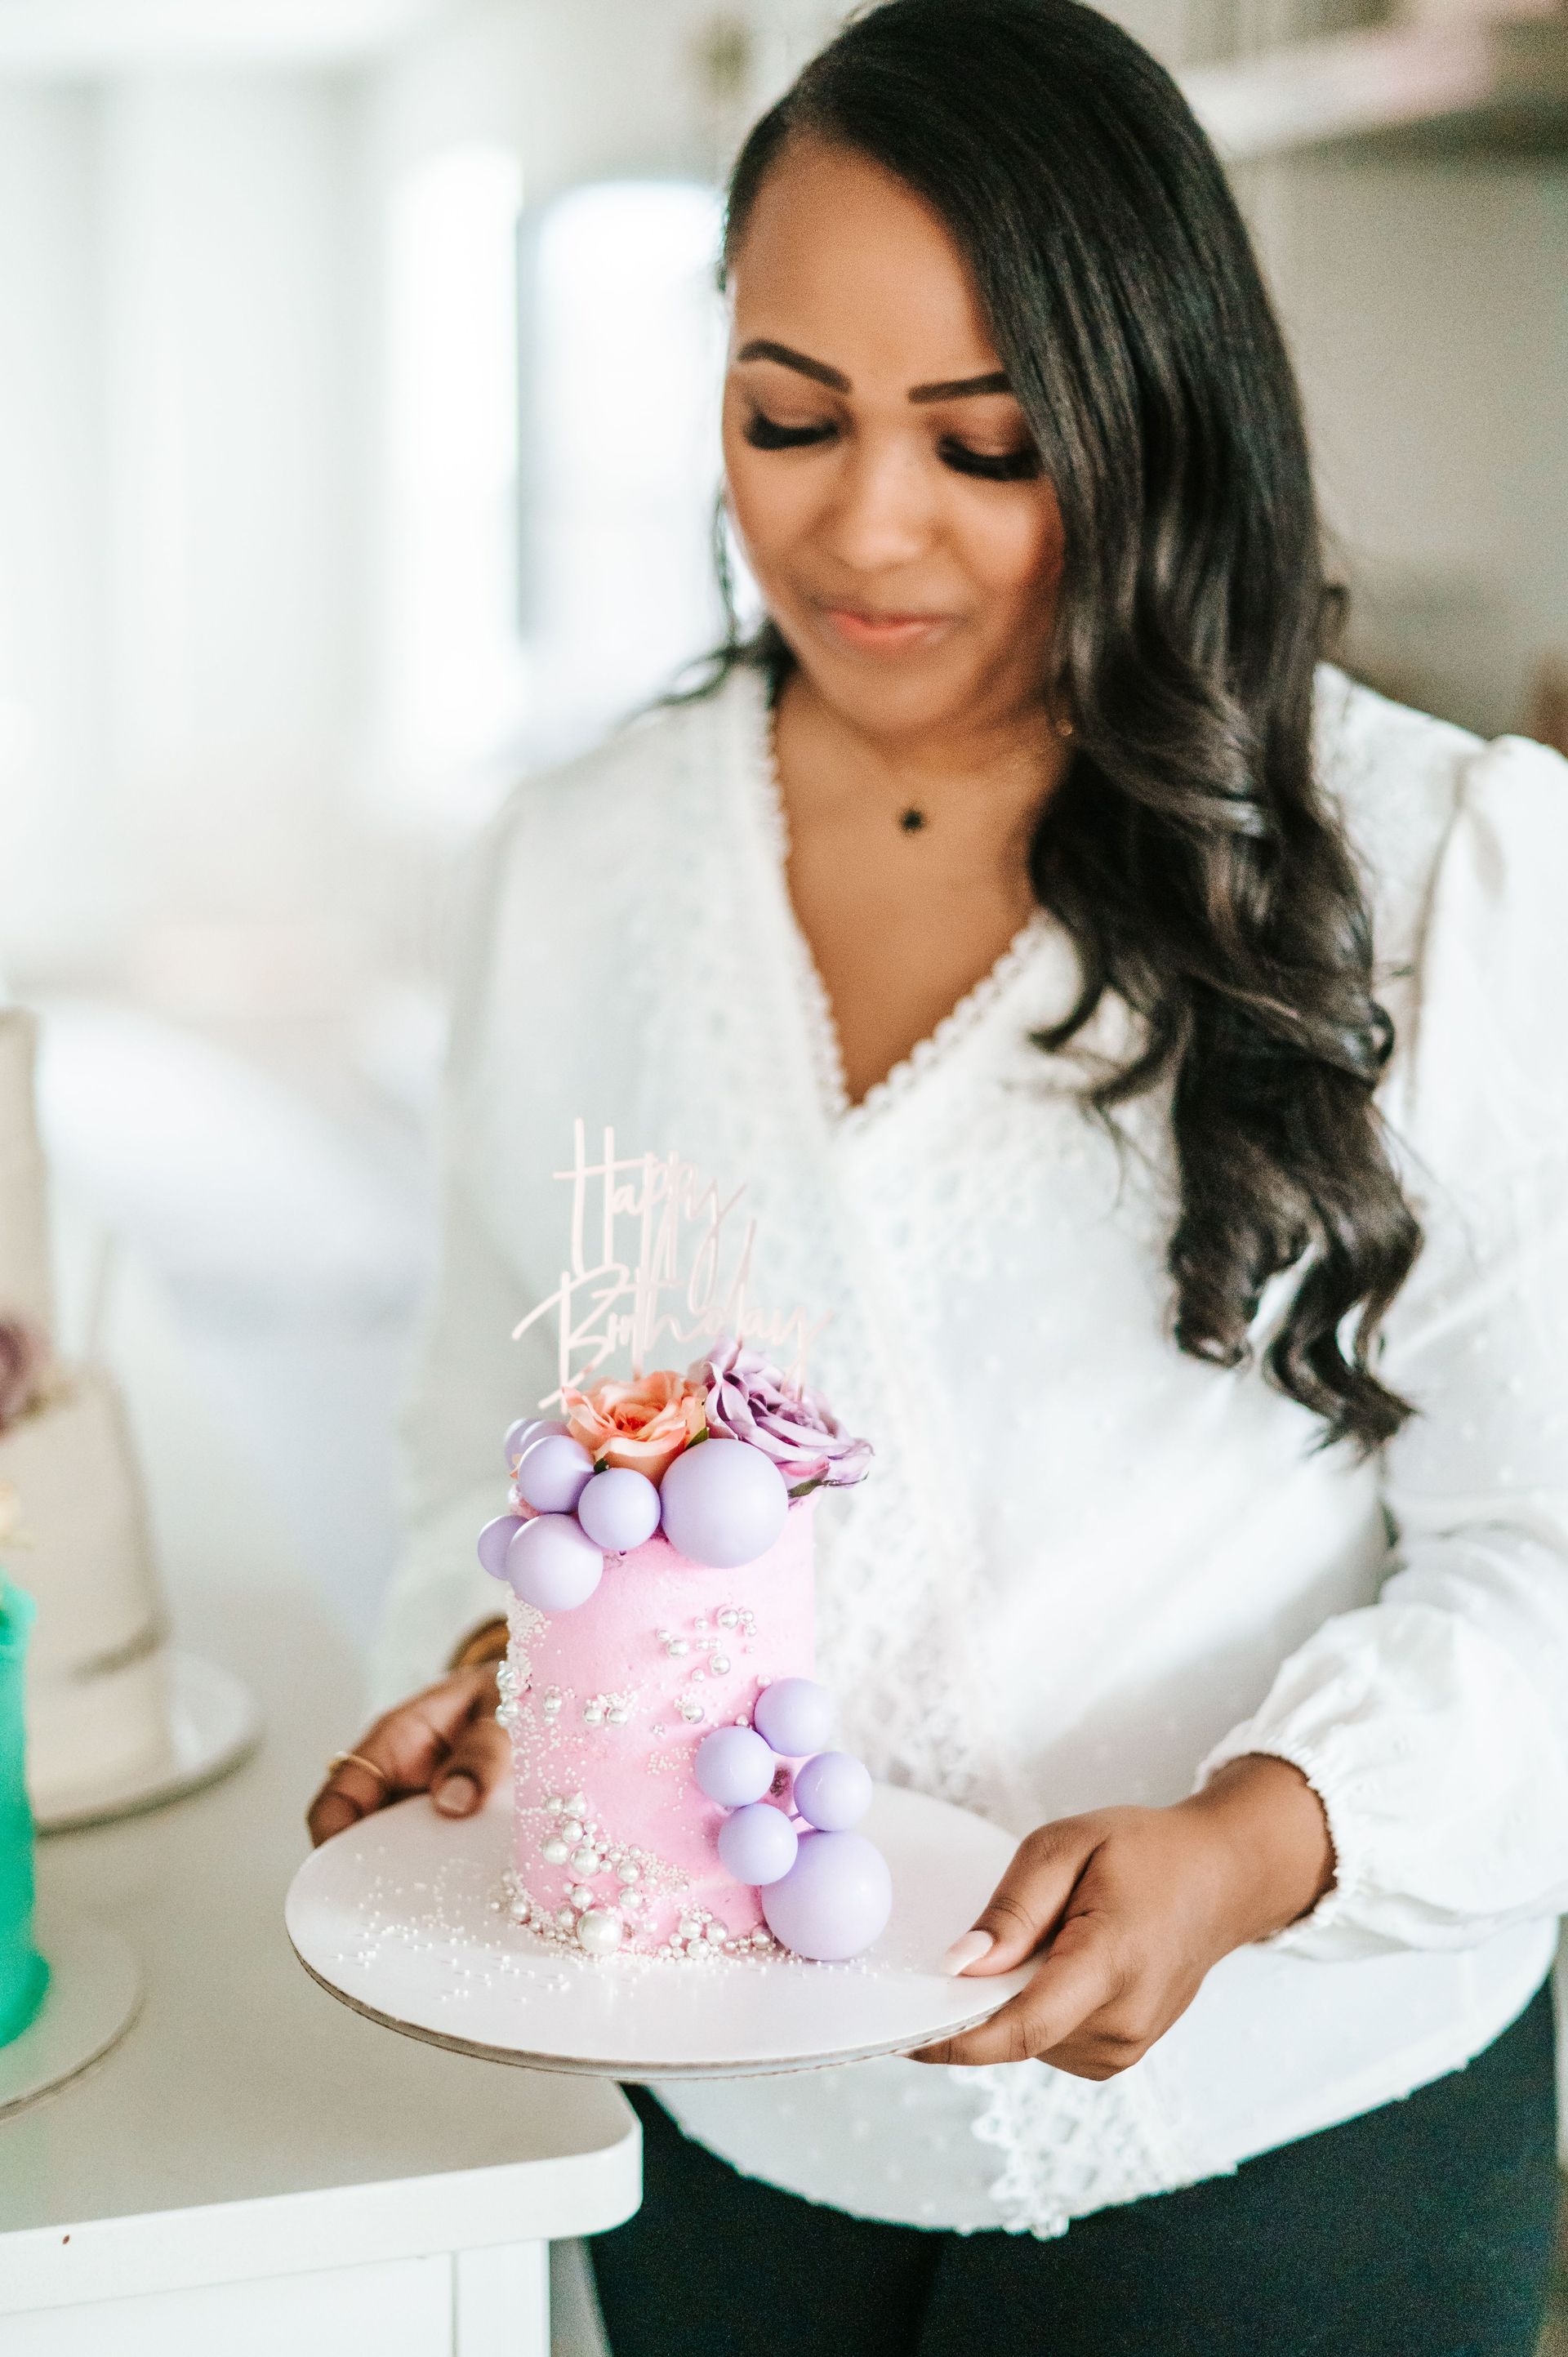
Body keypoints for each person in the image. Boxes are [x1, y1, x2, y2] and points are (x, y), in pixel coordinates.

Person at [306, 2, 1568, 2347]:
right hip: (734, 2136)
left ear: (1157, 429)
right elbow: (475, 1441)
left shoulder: (1448, 872)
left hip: (1280, 2152)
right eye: (789, 416)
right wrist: (509, 1672)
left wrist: (1265, 1837)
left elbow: (1547, 1549)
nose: (863, 528)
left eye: (985, 448)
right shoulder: (571, 869)